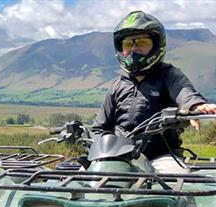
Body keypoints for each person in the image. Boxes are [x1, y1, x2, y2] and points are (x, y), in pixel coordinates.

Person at [92, 10, 216, 173]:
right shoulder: (117, 85)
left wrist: (195, 106)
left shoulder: (169, 75)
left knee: (177, 181)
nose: (134, 49)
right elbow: (100, 127)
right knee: (81, 182)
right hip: (118, 157)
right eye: (128, 44)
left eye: (142, 42)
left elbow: (184, 92)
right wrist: (102, 147)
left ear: (157, 45)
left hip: (162, 156)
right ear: (120, 49)